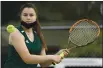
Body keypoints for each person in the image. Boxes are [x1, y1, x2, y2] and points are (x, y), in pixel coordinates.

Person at [4, 3, 69, 68]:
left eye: (31, 15)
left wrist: (58, 54)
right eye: (25, 15)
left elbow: (43, 64)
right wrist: (52, 57)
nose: (28, 18)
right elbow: (27, 58)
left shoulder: (38, 35)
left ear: (36, 17)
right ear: (20, 16)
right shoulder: (16, 33)